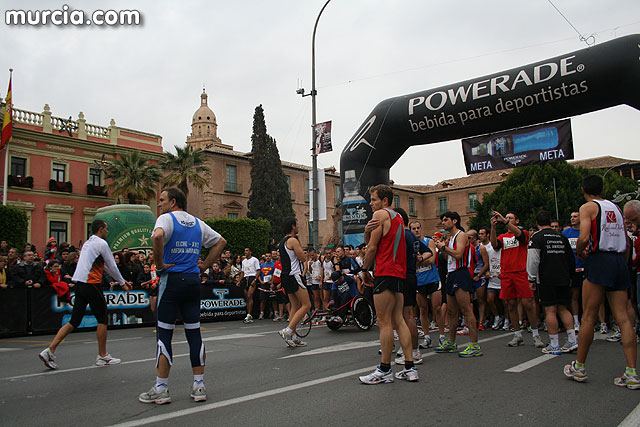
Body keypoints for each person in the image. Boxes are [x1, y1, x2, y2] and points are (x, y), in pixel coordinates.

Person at [139, 187, 226, 404]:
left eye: (162, 200)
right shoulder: (197, 223)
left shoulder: (166, 219)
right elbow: (221, 242)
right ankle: (199, 386)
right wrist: (204, 266)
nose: (159, 204)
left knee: (164, 335)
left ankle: (161, 388)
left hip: (172, 281)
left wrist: (159, 265)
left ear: (173, 201)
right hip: (193, 282)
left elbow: (157, 236)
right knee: (194, 333)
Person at [564, 175, 638, 389]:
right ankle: (631, 372)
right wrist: (622, 264)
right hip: (618, 260)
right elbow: (624, 240)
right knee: (623, 317)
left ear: (583, 189)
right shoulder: (615, 207)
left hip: (599, 259)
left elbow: (584, 237)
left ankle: (579, 367)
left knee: (588, 316)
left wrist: (581, 253)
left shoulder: (588, 207)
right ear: (603, 188)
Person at [38, 219, 131, 370]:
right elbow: (112, 265)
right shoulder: (101, 243)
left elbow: (106, 266)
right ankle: (102, 356)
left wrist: (122, 280)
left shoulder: (88, 243)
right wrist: (122, 283)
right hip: (91, 283)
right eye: (106, 229)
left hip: (79, 284)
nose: (107, 232)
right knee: (102, 318)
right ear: (101, 229)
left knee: (74, 321)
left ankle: (50, 350)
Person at [358, 184, 416, 384]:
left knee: (384, 322)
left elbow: (372, 248)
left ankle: (384, 370)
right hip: (398, 273)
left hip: (384, 271)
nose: (370, 203)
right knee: (399, 320)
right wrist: (367, 231)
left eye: (373, 199)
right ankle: (410, 367)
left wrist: (364, 270)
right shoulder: (398, 217)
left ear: (384, 200)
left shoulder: (379, 215)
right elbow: (374, 240)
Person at [491, 211, 544, 348]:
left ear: (517, 221)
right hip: (507, 274)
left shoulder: (524, 233)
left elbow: (520, 236)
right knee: (511, 305)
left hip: (521, 272)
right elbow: (494, 245)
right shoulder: (503, 236)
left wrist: (504, 220)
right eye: (506, 217)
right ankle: (517, 334)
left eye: (510, 218)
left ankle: (535, 334)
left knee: (528, 304)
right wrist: (493, 227)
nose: (507, 219)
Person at [527, 210, 578, 355]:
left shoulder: (536, 237)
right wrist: (570, 276)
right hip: (563, 277)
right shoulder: (561, 236)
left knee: (550, 310)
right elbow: (570, 259)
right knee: (563, 308)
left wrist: (531, 278)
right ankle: (572, 340)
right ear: (550, 222)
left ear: (537, 223)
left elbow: (533, 259)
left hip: (546, 277)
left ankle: (554, 344)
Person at [433, 211, 482, 357]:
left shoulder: (461, 235)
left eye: (446, 220)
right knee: (451, 311)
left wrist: (443, 247)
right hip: (452, 273)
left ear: (455, 221)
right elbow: (449, 256)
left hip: (461, 273)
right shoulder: (451, 237)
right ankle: (451, 341)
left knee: (466, 309)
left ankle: (474, 345)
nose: (443, 222)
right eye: (442, 220)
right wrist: (443, 247)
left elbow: (459, 254)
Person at [394, 207, 423, 366]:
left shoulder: (403, 235)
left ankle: (414, 351)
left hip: (405, 276)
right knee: (405, 315)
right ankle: (410, 349)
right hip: (411, 275)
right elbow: (424, 253)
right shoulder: (412, 236)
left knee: (407, 316)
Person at [277, 217, 311, 347]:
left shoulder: (282, 242)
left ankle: (293, 336)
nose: (299, 226)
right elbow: (302, 257)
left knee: (295, 306)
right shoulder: (293, 240)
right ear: (292, 226)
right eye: (297, 224)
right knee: (306, 305)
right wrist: (303, 251)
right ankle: (288, 330)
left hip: (285, 276)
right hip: (294, 275)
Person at [562, 211, 585, 332]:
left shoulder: (585, 231)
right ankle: (576, 322)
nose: (572, 218)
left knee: (588, 297)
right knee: (574, 296)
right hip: (573, 269)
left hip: (585, 268)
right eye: (571, 217)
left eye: (575, 216)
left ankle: (600, 322)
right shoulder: (565, 233)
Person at [240, 248, 260, 323]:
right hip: (245, 278)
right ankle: (249, 314)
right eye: (244, 251)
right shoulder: (244, 261)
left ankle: (249, 314)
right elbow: (242, 272)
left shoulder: (255, 260)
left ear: (250, 252)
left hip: (252, 277)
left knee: (249, 295)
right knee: (247, 298)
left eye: (247, 250)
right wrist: (239, 280)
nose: (245, 252)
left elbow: (258, 270)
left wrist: (255, 280)